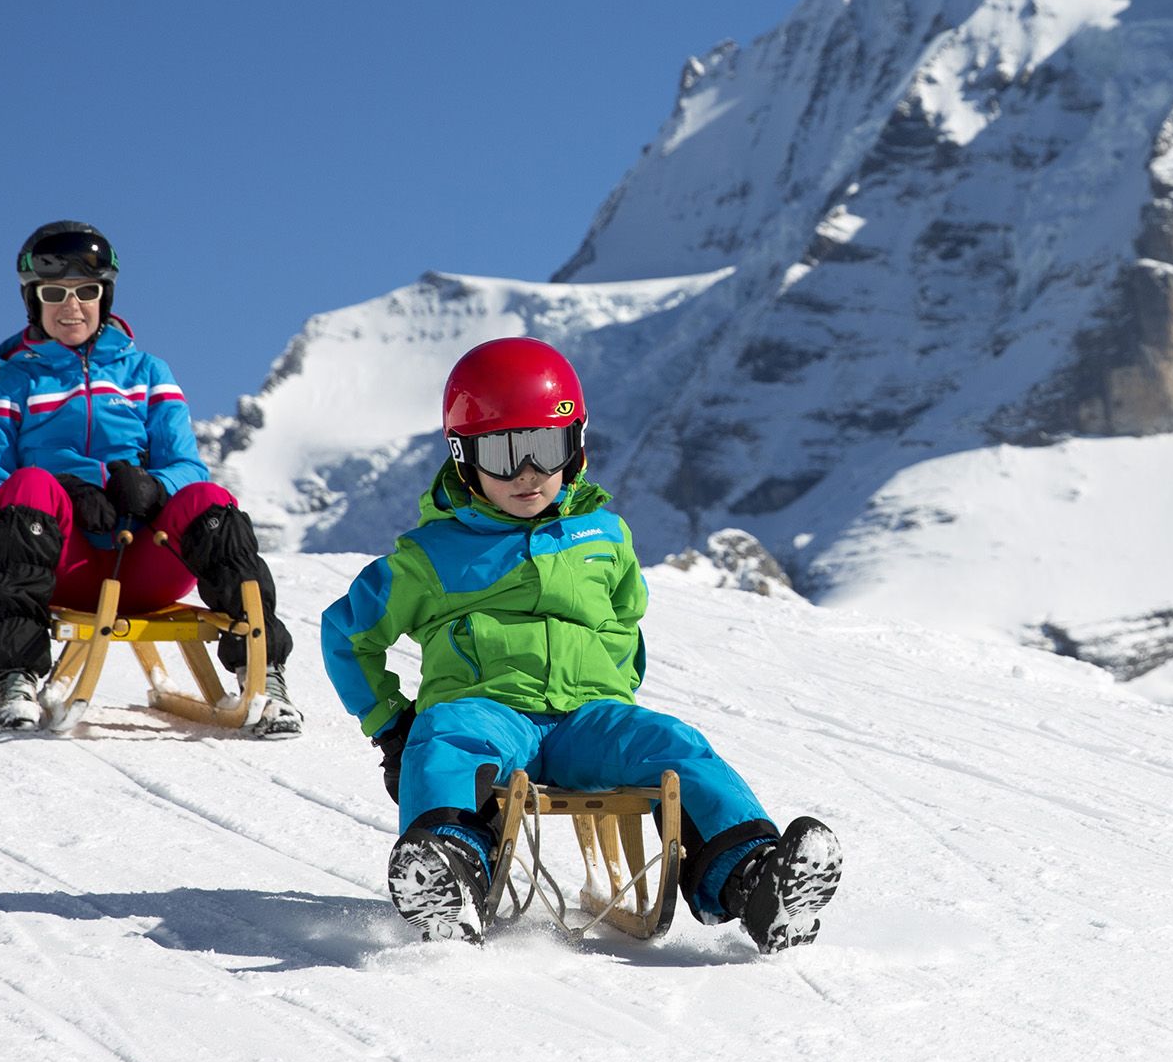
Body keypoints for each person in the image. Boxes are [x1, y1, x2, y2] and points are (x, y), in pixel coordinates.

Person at [319, 336, 841, 951]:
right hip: (487, 710)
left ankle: (753, 878)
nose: (527, 474)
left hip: (587, 718)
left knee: (675, 743)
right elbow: (347, 634)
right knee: (445, 737)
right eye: (502, 452)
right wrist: (391, 725)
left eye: (544, 448)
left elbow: (623, 619)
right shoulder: (429, 558)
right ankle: (449, 871)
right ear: (464, 459)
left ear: (577, 446)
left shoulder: (603, 536)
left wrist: (612, 694)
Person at [0, 220, 299, 737]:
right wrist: (62, 494)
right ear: (33, 300)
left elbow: (188, 466)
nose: (70, 306)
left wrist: (152, 488)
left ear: (105, 296)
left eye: (85, 293)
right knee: (27, 485)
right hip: (60, 564)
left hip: (142, 561)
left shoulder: (148, 373)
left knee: (210, 499)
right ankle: (15, 675)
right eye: (54, 294)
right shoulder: (10, 383)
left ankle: (263, 674)